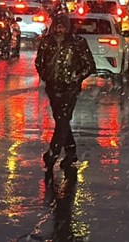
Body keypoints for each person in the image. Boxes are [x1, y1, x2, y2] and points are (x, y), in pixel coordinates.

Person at [35, 14, 97, 172]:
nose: (59, 29)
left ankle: (52, 154)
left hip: (70, 88)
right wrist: (45, 75)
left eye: (62, 26)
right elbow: (39, 61)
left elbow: (89, 65)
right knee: (61, 119)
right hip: (53, 86)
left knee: (63, 118)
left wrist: (75, 77)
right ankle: (71, 152)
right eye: (57, 26)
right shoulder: (46, 42)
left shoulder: (77, 43)